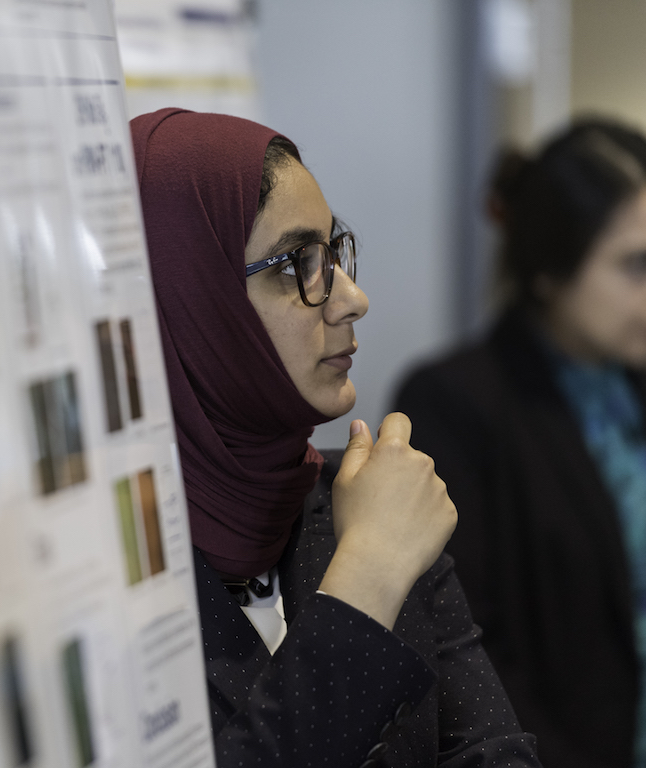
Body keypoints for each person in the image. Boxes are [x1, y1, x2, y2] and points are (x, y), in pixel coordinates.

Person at [133, 107, 540, 766]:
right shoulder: (108, 569)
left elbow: (499, 756)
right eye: (299, 263)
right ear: (188, 295)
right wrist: (365, 582)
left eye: (332, 251)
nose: (351, 297)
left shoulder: (351, 498)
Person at [395, 120, 646, 768]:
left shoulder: (632, 384)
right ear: (548, 268)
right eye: (635, 266)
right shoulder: (455, 406)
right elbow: (470, 654)